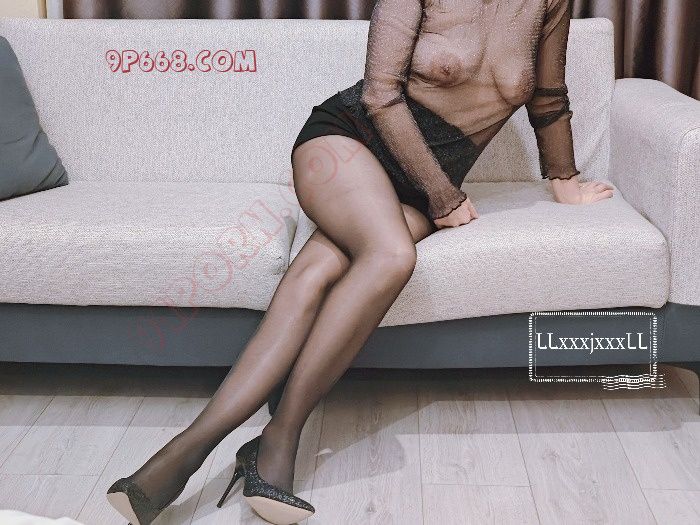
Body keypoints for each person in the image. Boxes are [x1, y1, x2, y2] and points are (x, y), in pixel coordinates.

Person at [106, 0, 613, 523]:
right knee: (391, 255)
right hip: (347, 146)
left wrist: (565, 180)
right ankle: (256, 441)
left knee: (318, 270)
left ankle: (205, 453)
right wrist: (444, 197)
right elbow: (379, 93)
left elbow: (548, 97)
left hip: (415, 189)